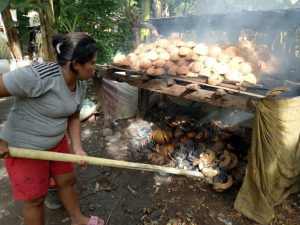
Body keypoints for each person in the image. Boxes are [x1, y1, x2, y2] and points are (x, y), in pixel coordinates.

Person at [0, 32, 104, 225]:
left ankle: (77, 219)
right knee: (35, 200)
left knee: (67, 181)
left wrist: (78, 147)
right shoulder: (38, 76)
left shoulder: (80, 85)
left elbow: (73, 116)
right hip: (24, 148)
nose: (94, 67)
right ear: (75, 64)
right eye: (92, 62)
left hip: (56, 141)